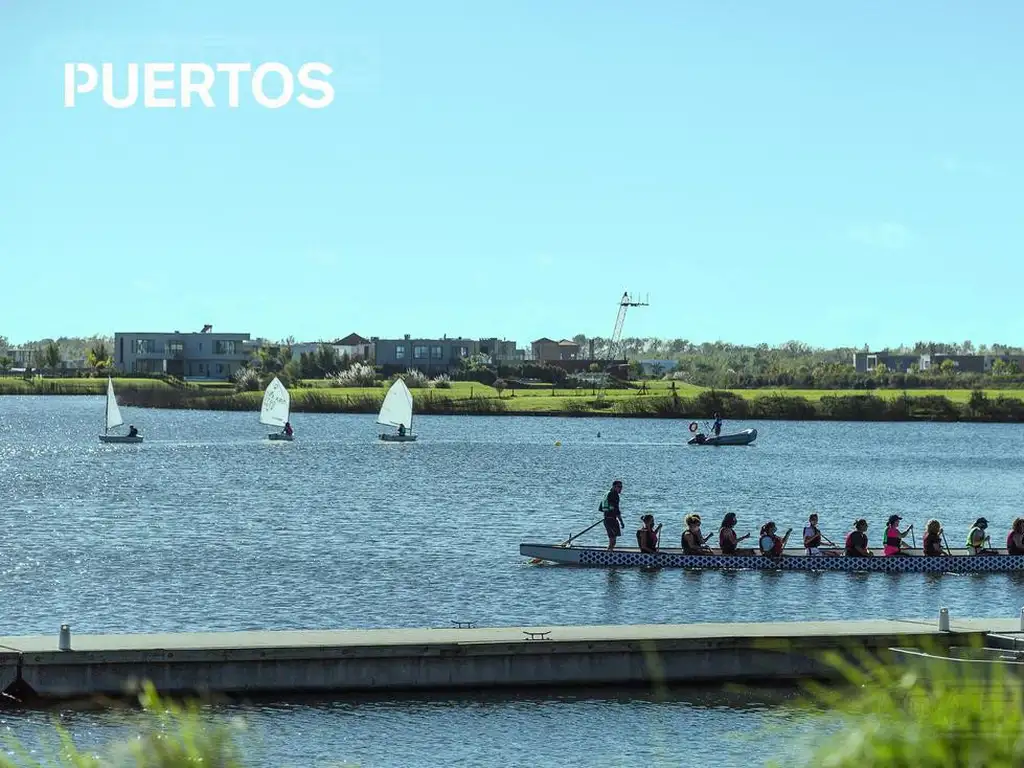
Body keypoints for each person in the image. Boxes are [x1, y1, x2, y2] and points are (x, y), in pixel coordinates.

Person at [599, 480, 625, 551]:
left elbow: (601, 508)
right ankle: (608, 554)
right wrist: (621, 521)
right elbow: (616, 510)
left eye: (621, 487)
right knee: (613, 541)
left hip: (606, 519)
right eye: (619, 487)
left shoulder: (606, 494)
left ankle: (609, 552)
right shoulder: (614, 495)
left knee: (611, 539)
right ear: (614, 487)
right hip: (611, 520)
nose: (620, 489)